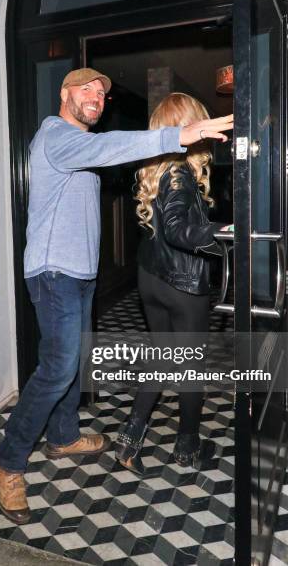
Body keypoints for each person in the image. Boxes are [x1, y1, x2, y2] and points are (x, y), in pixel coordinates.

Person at [0, 70, 233, 523]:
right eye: (86, 89)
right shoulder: (56, 135)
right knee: (57, 367)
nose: (97, 97)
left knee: (73, 362)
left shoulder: (77, 144)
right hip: (53, 273)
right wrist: (181, 133)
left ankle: (62, 436)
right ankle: (8, 461)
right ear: (64, 94)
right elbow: (107, 148)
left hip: (79, 275)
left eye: (102, 92)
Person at [115, 92, 233, 477]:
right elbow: (180, 230)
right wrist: (225, 232)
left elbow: (162, 229)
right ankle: (188, 446)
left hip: (151, 280)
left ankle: (130, 439)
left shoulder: (157, 172)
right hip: (182, 285)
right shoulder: (181, 174)